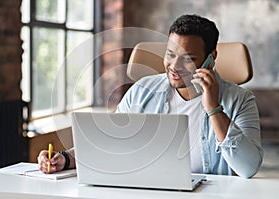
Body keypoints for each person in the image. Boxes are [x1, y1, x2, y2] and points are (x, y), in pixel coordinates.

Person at [38, 14, 263, 178]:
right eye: (170, 54)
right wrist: (65, 159)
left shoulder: (240, 100)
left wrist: (213, 109)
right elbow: (109, 143)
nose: (174, 66)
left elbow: (248, 167)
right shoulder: (143, 91)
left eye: (187, 58)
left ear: (211, 57)